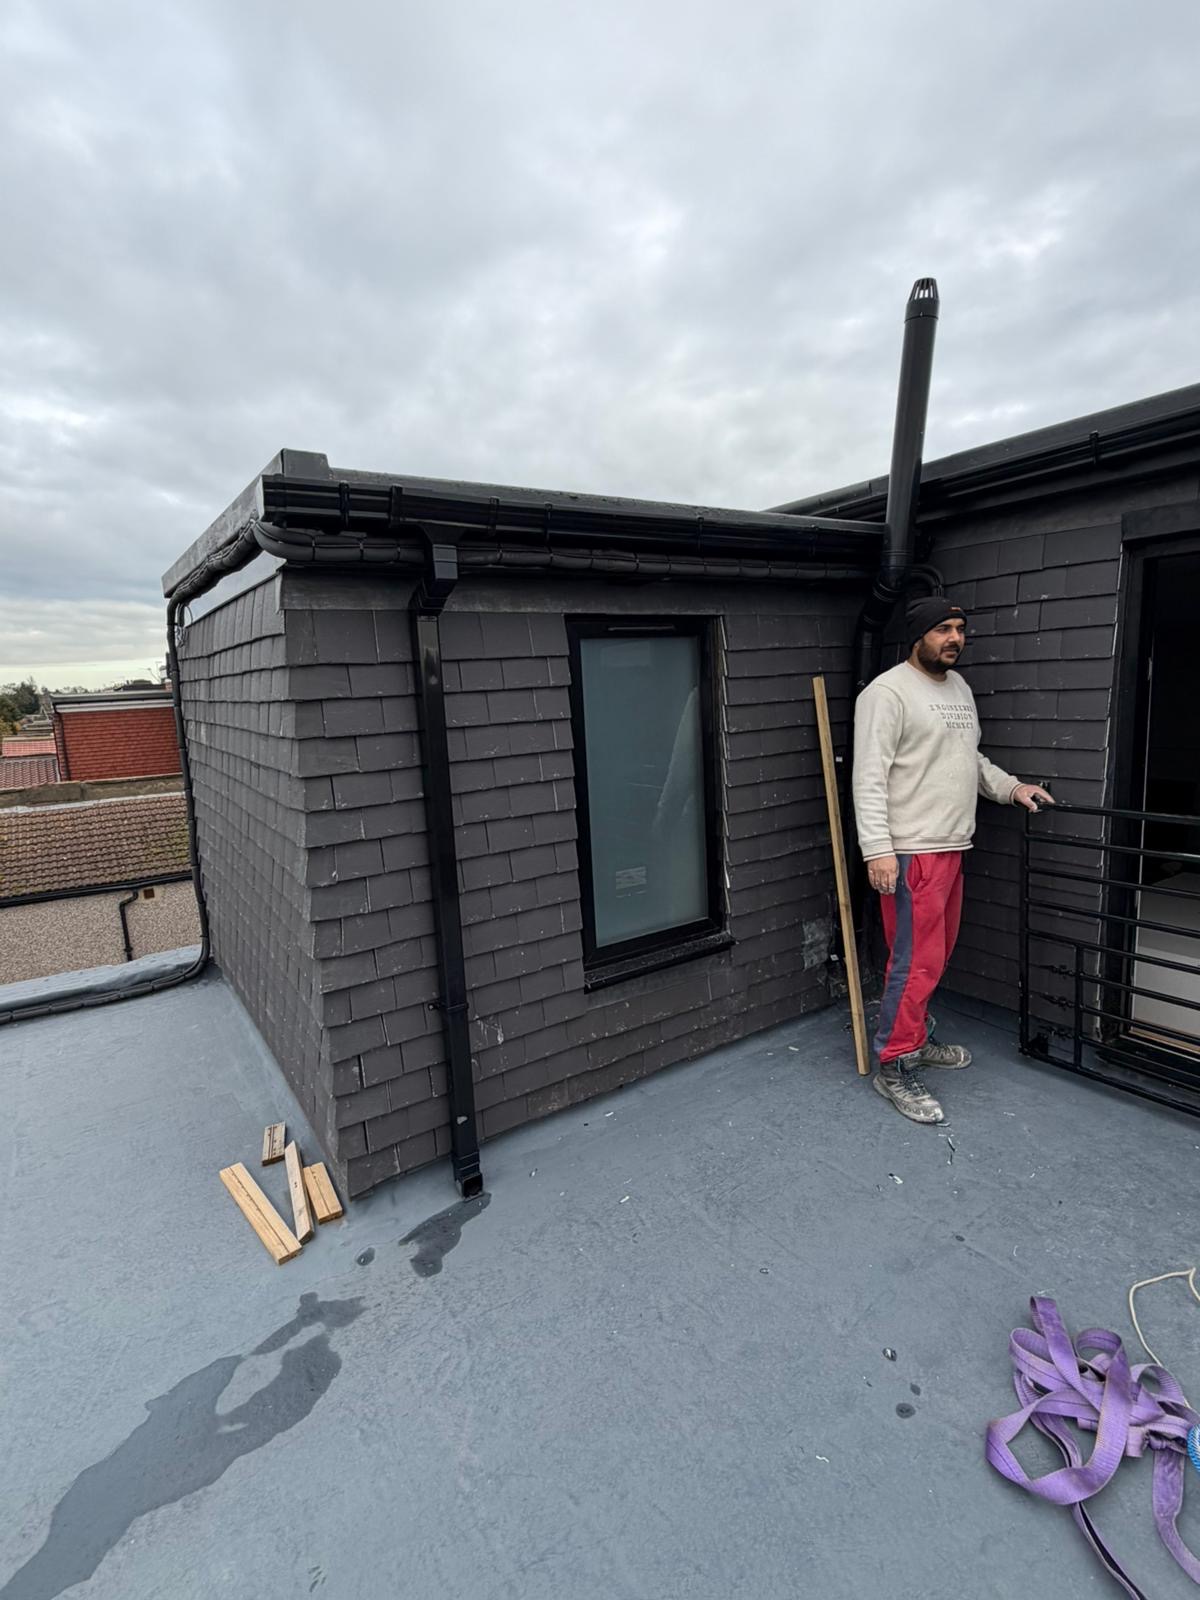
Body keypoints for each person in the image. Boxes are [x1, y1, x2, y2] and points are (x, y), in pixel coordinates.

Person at [852, 595, 1054, 1124]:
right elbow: (868, 778)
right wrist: (878, 851)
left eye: (960, 629)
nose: (954, 639)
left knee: (933, 960)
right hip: (911, 851)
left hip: (952, 845)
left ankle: (915, 1040)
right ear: (917, 635)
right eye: (942, 629)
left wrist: (1011, 789)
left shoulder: (958, 687)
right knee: (913, 963)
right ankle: (893, 1065)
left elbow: (969, 759)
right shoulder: (887, 693)